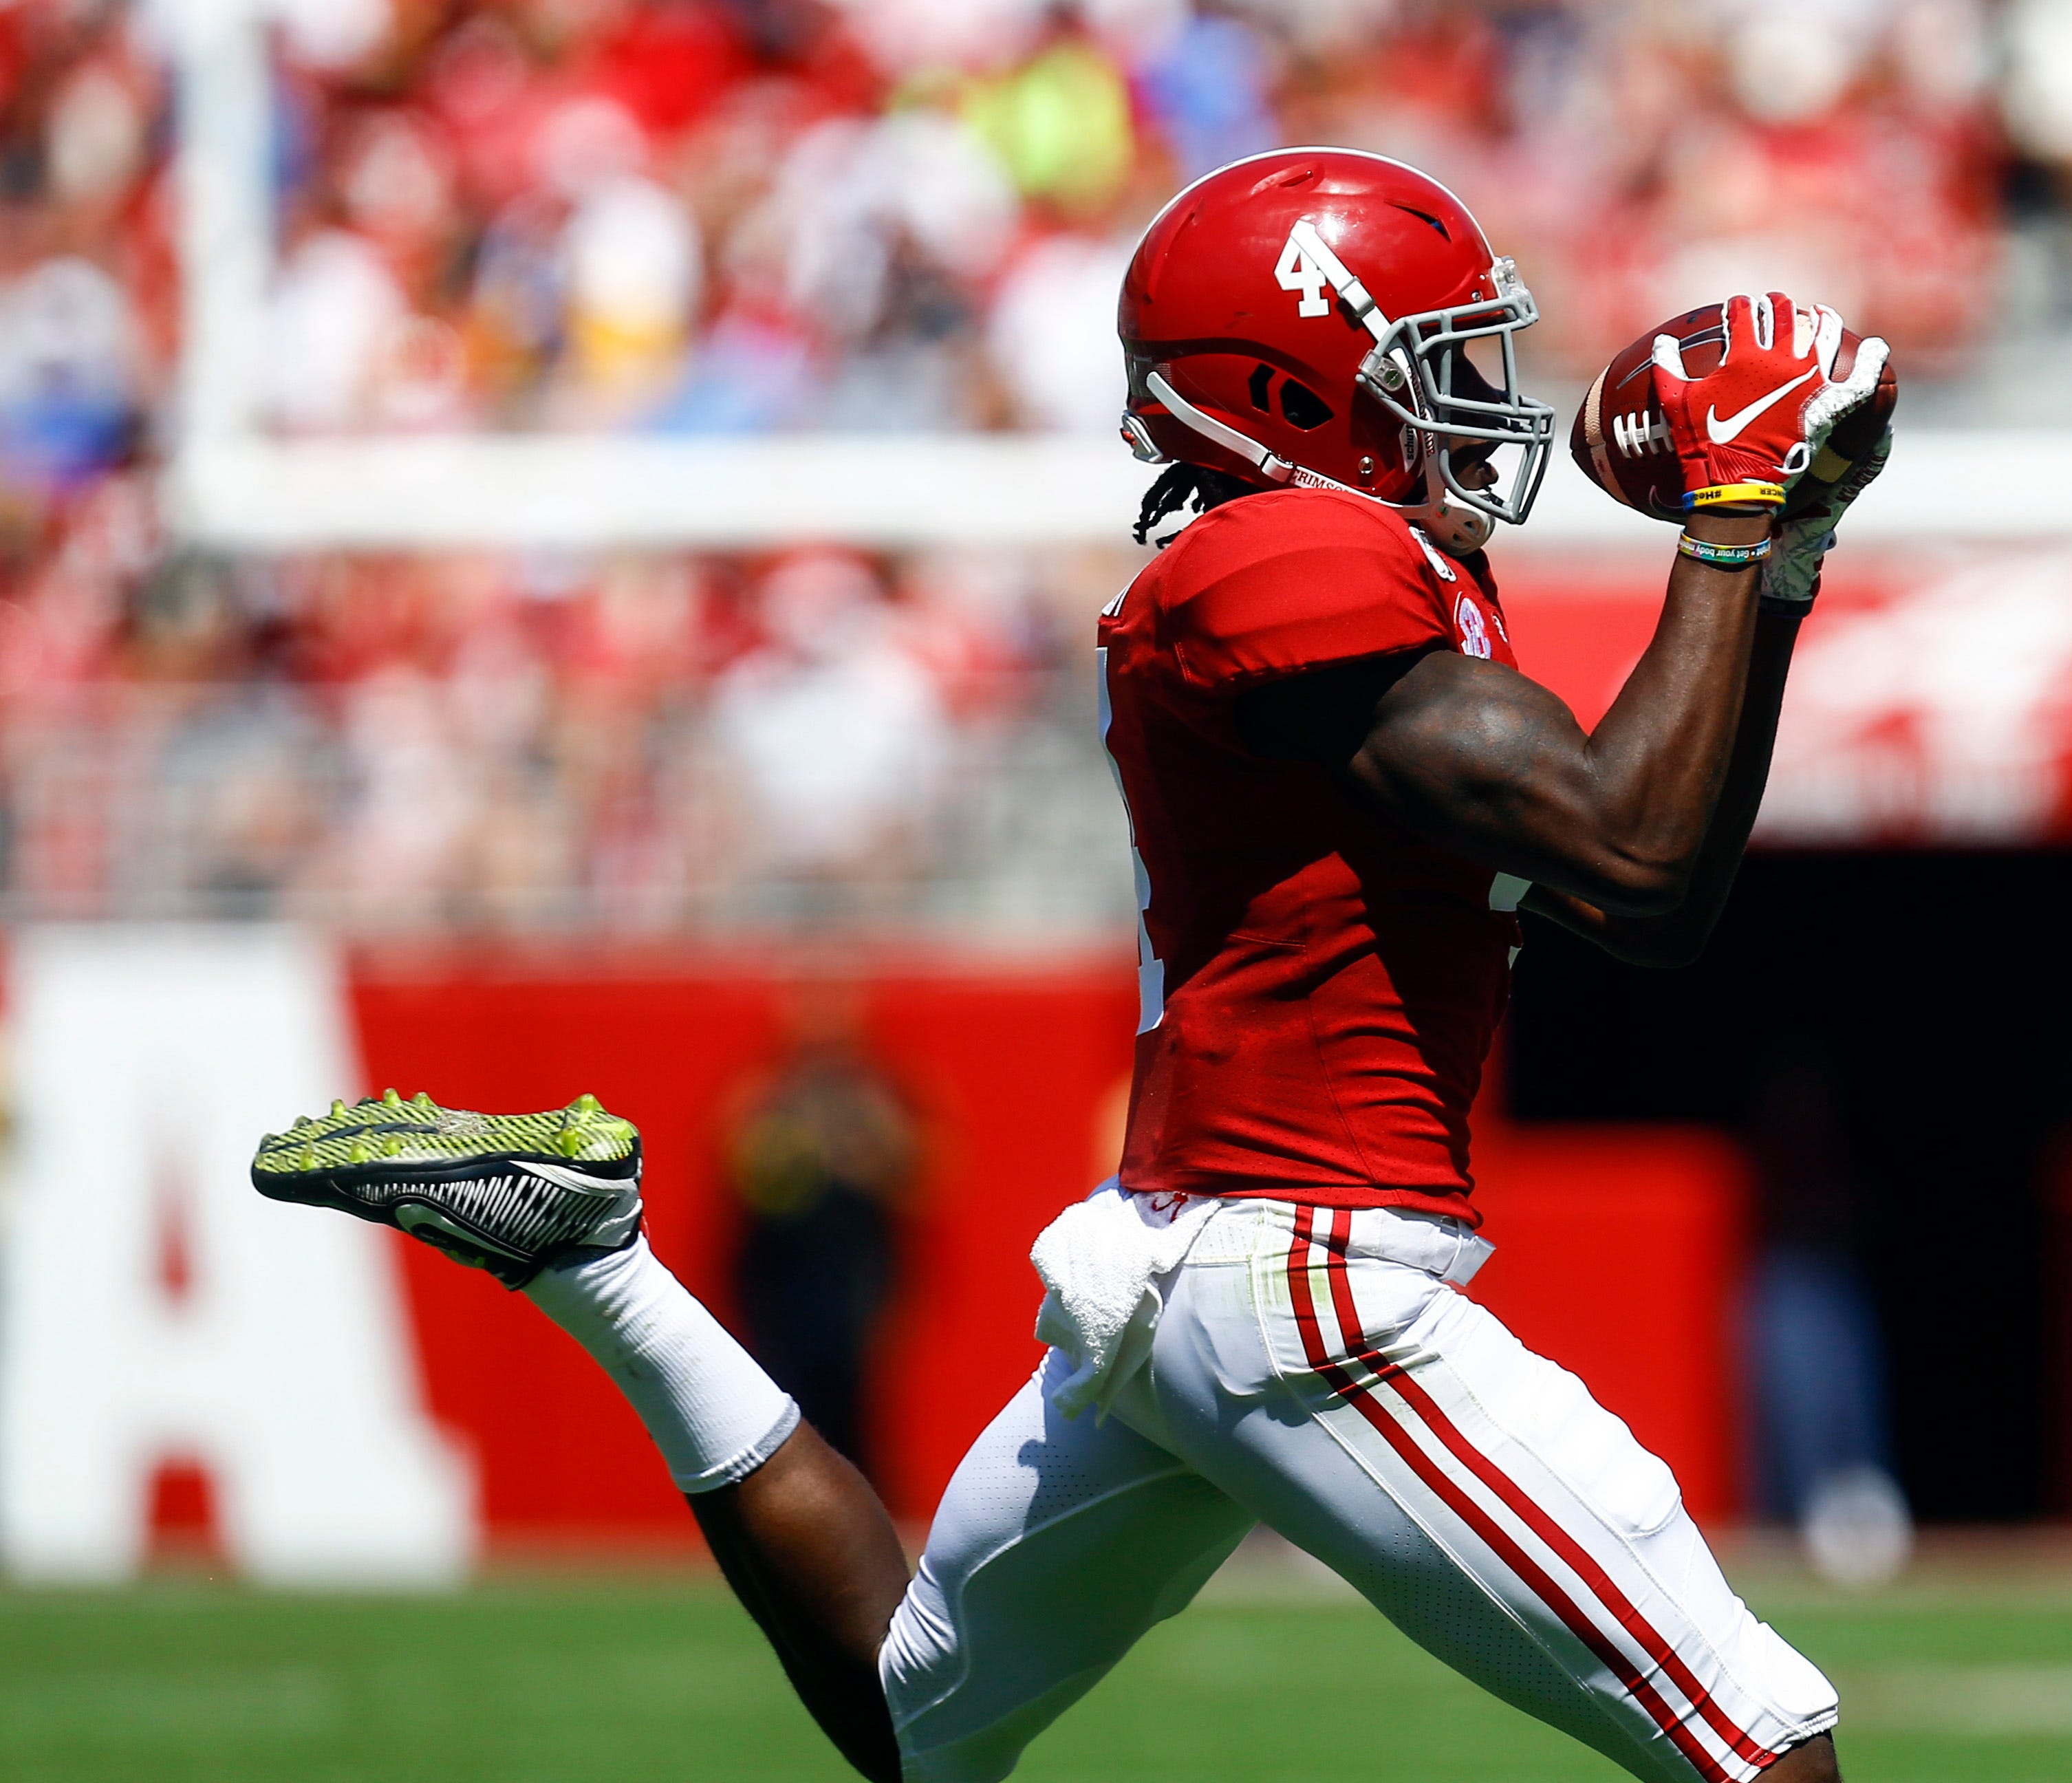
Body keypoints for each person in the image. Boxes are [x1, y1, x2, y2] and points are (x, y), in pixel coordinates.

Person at [249, 149, 1890, 1783]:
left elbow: (1650, 894)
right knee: (1760, 1741)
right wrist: (1734, 519)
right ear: (1294, 393)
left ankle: (593, 1261)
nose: (1471, 401)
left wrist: (1779, 553)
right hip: (1306, 1278)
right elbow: (1632, 849)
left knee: (911, 1716)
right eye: (1429, 364)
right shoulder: (1290, 564)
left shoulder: (1314, 575)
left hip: (1176, 1274)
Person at [722, 984, 921, 1478]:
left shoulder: (876, 1094)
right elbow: (729, 1155)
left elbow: (922, 1172)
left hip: (850, 1270)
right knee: (781, 1400)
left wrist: (854, 1158)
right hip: (784, 1275)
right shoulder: (767, 1094)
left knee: (851, 1402)